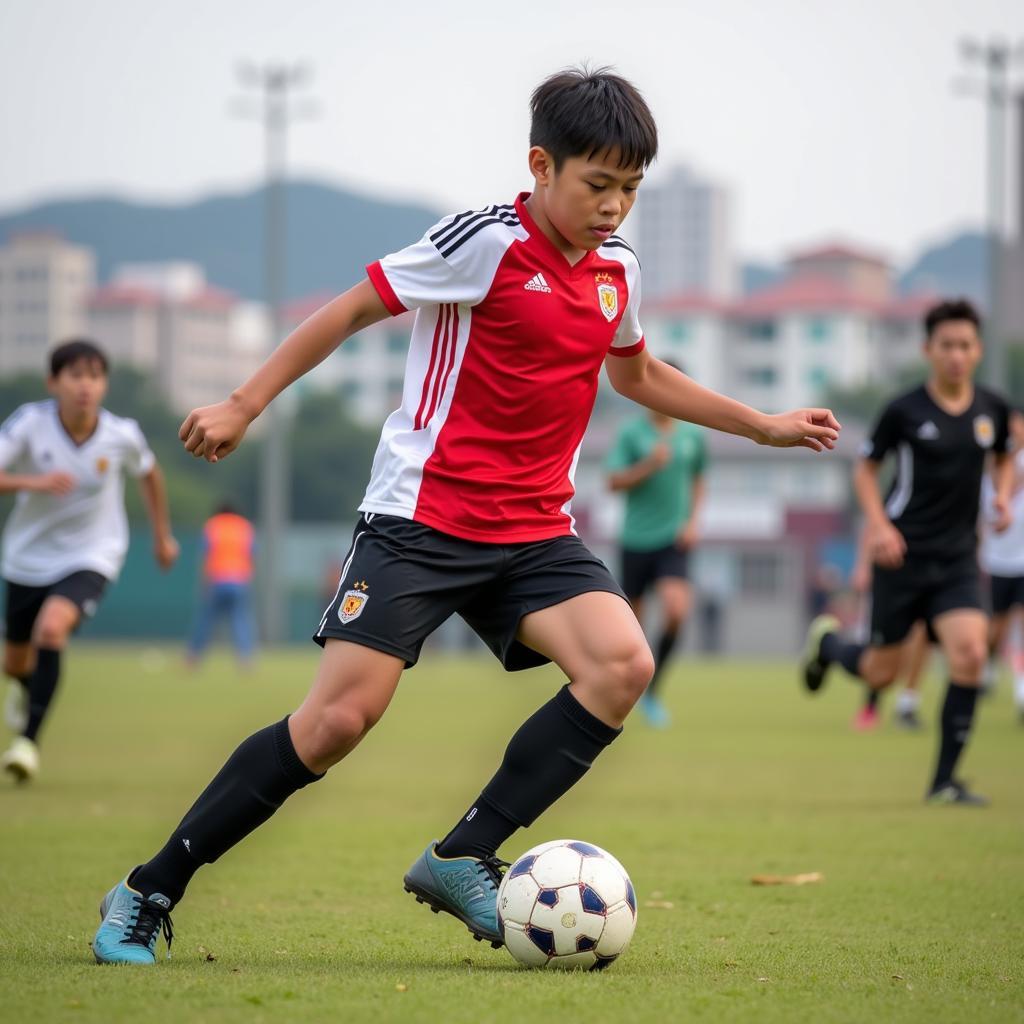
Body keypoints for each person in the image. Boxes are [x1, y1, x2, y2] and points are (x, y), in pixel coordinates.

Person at [92, 66, 840, 965]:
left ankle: (462, 855)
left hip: (532, 531)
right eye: (597, 185)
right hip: (421, 520)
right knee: (335, 724)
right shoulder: (483, 243)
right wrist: (246, 404)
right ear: (540, 166)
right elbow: (354, 307)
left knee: (622, 663)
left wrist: (759, 425)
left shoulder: (617, 272)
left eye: (630, 190)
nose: (614, 208)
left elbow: (635, 373)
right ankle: (148, 888)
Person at [801, 299, 1011, 805]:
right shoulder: (904, 410)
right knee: (881, 673)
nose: (956, 355)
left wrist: (1002, 496)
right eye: (947, 346)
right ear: (928, 350)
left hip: (959, 558)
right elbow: (866, 470)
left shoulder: (992, 409)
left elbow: (1004, 457)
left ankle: (944, 782)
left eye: (965, 346)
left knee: (971, 654)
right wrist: (878, 526)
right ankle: (829, 646)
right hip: (902, 555)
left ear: (977, 350)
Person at [0, 340, 178, 783]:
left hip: (92, 554)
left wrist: (162, 536)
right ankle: (25, 689)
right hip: (27, 558)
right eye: (75, 375)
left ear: (104, 384)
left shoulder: (122, 434)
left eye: (94, 376)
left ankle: (27, 743)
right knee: (15, 663)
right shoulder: (29, 424)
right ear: (53, 383)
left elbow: (150, 474)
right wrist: (35, 482)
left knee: (52, 628)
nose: (85, 386)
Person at [606, 368, 707, 726]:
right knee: (634, 627)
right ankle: (629, 690)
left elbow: (698, 479)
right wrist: (648, 465)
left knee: (677, 609)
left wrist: (693, 521)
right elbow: (613, 482)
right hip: (635, 538)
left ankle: (655, 691)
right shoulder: (632, 433)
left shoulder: (692, 435)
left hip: (673, 540)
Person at [848, 540, 930, 732]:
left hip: (930, 574)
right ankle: (870, 705)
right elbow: (874, 524)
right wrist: (863, 565)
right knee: (882, 658)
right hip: (891, 575)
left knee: (922, 637)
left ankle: (907, 706)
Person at [979, 407, 1024, 720]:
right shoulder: (987, 469)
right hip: (996, 561)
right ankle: (988, 666)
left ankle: (1022, 691)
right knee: (996, 629)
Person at [185, 502, 257, 670]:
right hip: (239, 580)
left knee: (206, 620)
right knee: (240, 620)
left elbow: (206, 555)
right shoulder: (244, 527)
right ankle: (245, 660)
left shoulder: (213, 526)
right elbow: (252, 554)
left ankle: (193, 658)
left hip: (217, 579)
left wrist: (204, 582)